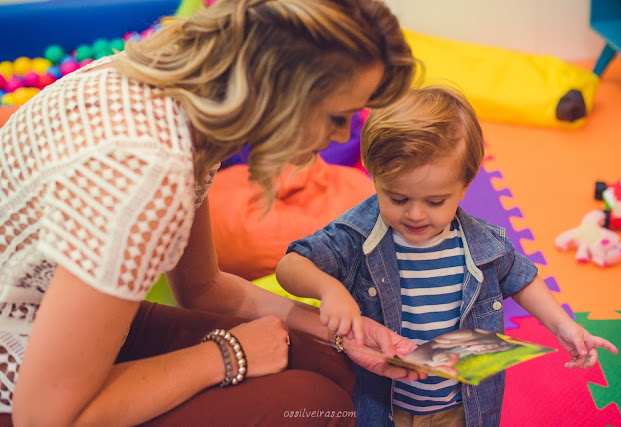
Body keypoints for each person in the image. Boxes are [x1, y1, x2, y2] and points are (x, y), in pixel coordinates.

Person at [0, 0, 422, 425]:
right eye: (337, 117)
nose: (343, 136)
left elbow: (202, 287)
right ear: (280, 87)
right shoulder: (146, 170)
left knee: (329, 361)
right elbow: (44, 417)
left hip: (68, 332)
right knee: (317, 404)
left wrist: (341, 331)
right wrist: (227, 354)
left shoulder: (188, 104)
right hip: (31, 389)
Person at [275, 85, 619, 426]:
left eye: (435, 201)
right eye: (397, 198)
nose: (415, 214)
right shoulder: (357, 237)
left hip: (461, 408)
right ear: (372, 173)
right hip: (384, 408)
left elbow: (521, 278)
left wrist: (563, 325)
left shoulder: (480, 244)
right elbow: (290, 265)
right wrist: (329, 289)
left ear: (465, 186)